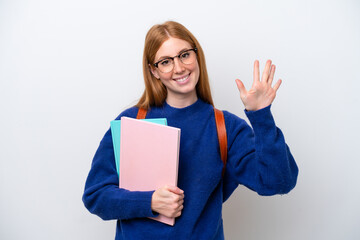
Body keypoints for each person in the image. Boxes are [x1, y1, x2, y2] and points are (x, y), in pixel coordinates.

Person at [82, 21, 298, 239]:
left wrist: (261, 116)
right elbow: (95, 195)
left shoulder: (226, 128)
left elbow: (278, 182)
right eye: (166, 61)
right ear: (154, 71)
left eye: (185, 55)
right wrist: (150, 202)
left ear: (197, 55)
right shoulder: (132, 121)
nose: (179, 68)